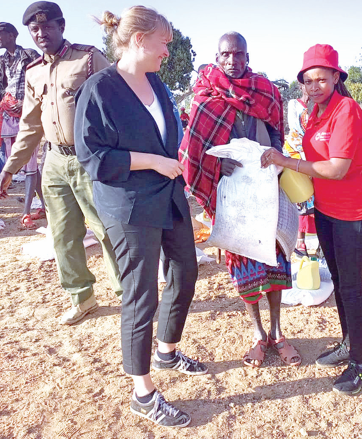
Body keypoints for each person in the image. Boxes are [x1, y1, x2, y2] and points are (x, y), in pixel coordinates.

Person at [75, 6, 208, 428]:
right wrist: (151, 160)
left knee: (186, 272)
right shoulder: (98, 89)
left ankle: (167, 351)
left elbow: (172, 136)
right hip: (129, 206)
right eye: (164, 41)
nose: (168, 50)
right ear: (138, 40)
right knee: (141, 294)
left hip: (168, 196)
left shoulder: (155, 83)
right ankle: (143, 392)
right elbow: (92, 156)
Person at [261, 44, 362, 395]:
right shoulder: (315, 112)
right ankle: (347, 344)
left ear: (336, 77)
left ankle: (360, 364)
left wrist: (287, 162)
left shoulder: (347, 110)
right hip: (326, 210)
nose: (314, 87)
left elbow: (338, 168)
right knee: (339, 282)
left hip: (353, 213)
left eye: (321, 79)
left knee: (352, 287)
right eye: (308, 81)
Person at [179, 32, 301, 368]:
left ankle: (277, 332)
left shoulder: (265, 91)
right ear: (216, 57)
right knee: (244, 263)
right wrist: (219, 163)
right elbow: (195, 150)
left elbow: (277, 130)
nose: (232, 61)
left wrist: (274, 155)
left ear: (248, 56)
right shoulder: (204, 97)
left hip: (267, 186)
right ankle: (258, 334)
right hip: (231, 192)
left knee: (275, 259)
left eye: (239, 54)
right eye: (225, 55)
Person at [0, 2, 122, 324]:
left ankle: (129, 294)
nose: (41, 33)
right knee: (63, 235)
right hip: (53, 161)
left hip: (90, 160)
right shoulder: (33, 72)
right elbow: (29, 127)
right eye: (35, 29)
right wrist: (9, 169)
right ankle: (82, 297)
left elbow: (119, 105)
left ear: (61, 26)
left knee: (108, 228)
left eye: (47, 26)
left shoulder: (89, 58)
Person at [0, 22, 45, 229]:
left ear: (11, 35)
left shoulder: (28, 54)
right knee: (23, 166)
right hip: (9, 116)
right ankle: (44, 206)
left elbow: (40, 80)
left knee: (29, 165)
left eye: (1, 34)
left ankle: (26, 212)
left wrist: (26, 103)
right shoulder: (2, 61)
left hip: (27, 114)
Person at [283, 83, 315, 256]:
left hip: (315, 154)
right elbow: (294, 129)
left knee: (317, 197)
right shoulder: (293, 104)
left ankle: (319, 241)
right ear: (302, 87)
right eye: (306, 84)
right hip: (296, 154)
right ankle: (300, 240)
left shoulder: (319, 106)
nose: (309, 88)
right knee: (300, 197)